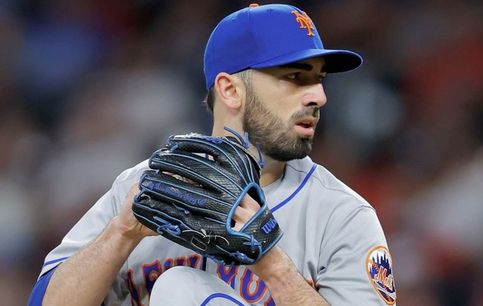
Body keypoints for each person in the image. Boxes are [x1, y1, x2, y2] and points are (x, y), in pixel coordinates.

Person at [29, 3, 396, 306]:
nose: (318, 96)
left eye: (319, 79)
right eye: (296, 77)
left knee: (181, 289)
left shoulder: (342, 214)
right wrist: (120, 235)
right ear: (230, 90)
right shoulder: (142, 188)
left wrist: (274, 267)